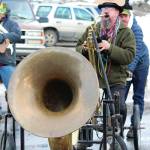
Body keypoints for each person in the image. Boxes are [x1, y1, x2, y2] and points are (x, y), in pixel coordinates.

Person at [76, 0, 136, 149]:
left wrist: (110, 47)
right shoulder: (92, 29)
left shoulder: (126, 32)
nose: (105, 12)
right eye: (103, 9)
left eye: (109, 9)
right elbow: (77, 47)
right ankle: (84, 141)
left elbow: (129, 56)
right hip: (93, 78)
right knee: (82, 107)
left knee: (119, 107)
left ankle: (115, 134)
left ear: (117, 12)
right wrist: (83, 49)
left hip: (115, 79)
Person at [120, 2, 149, 138]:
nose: (122, 18)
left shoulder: (136, 29)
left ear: (130, 15)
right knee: (121, 96)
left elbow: (135, 53)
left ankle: (134, 126)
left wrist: (130, 69)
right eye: (120, 15)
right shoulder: (118, 29)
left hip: (141, 63)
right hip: (127, 64)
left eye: (124, 15)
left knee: (138, 95)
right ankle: (117, 124)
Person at [0, 2, 21, 90]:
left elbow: (17, 36)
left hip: (6, 63)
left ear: (5, 13)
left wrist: (3, 37)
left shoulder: (12, 24)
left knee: (12, 90)